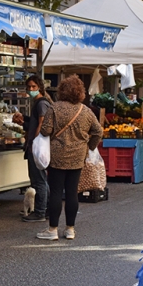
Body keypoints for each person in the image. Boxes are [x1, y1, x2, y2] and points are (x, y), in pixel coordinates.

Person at [37, 75, 102, 241]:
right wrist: (90, 146)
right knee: (72, 192)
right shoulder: (86, 111)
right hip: (77, 157)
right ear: (81, 92)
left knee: (56, 192)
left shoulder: (54, 108)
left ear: (62, 91)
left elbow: (45, 131)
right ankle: (70, 229)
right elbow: (98, 131)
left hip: (57, 156)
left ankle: (52, 229)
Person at [12, 75, 52, 222]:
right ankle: (46, 209)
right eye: (28, 87)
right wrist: (24, 121)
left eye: (34, 87)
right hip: (36, 147)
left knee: (38, 181)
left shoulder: (41, 104)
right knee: (41, 180)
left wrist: (35, 142)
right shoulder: (37, 103)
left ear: (40, 87)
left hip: (37, 148)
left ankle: (40, 212)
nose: (30, 90)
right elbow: (34, 123)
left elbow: (41, 124)